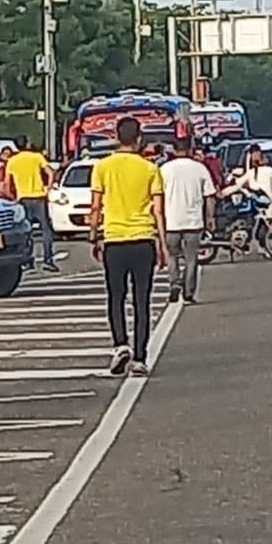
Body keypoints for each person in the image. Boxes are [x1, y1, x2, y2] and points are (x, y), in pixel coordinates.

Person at [89, 116, 168, 376]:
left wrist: (94, 236)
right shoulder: (149, 169)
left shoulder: (102, 167)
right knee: (142, 300)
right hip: (143, 239)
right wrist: (163, 246)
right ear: (139, 137)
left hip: (114, 240)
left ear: (115, 135)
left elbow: (96, 206)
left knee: (116, 296)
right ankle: (140, 358)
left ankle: (120, 344)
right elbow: (158, 211)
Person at [158, 137, 216, 304]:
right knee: (192, 259)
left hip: (171, 222)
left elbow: (158, 196)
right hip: (193, 222)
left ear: (174, 151)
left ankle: (175, 283)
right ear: (190, 150)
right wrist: (210, 218)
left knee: (172, 255)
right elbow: (209, 196)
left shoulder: (164, 169)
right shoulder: (200, 168)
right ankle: (189, 292)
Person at [4, 140, 58, 272]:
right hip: (39, 197)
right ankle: (48, 260)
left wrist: (13, 197)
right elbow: (51, 172)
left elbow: (6, 183)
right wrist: (48, 188)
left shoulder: (12, 161)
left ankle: (28, 261)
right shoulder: (37, 157)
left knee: (26, 231)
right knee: (46, 229)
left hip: (23, 198)